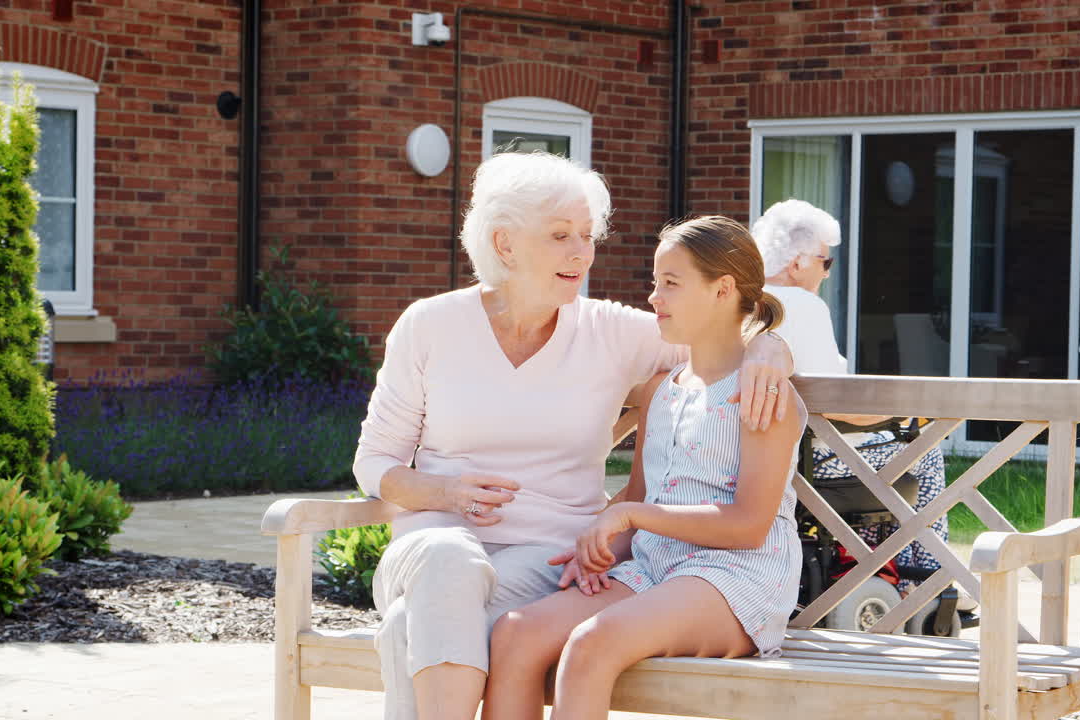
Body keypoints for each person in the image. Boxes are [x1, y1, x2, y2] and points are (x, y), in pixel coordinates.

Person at [353, 151, 795, 720]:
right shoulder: (429, 324)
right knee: (448, 558)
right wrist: (447, 495)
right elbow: (374, 464)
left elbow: (720, 333)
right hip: (433, 547)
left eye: (587, 236)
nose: (581, 252)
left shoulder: (610, 331)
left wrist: (769, 345)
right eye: (560, 235)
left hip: (549, 561)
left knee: (403, 627)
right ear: (504, 244)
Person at [482, 215, 807, 720]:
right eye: (655, 282)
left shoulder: (760, 392)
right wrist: (594, 548)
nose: (654, 297)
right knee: (515, 632)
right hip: (654, 569)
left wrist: (633, 518)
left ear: (723, 290)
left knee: (592, 643)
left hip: (736, 578)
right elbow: (638, 495)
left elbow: (749, 526)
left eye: (671, 284)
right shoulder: (663, 389)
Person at [752, 198, 948, 594]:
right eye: (826, 262)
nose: (826, 274)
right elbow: (838, 406)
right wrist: (900, 417)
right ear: (798, 263)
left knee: (879, 449)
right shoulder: (804, 306)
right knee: (925, 448)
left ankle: (871, 571)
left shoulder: (743, 302)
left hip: (758, 459)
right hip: (814, 465)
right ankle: (930, 580)